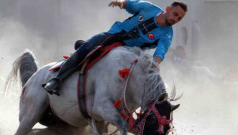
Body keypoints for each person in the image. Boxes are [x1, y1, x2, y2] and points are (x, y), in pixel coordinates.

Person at [44, 0, 187, 95]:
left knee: (141, 80)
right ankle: (57, 80)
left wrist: (155, 63)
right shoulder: (149, 8)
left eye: (179, 18)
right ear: (168, 9)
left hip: (131, 52)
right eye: (175, 14)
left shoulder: (167, 35)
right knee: (88, 46)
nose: (175, 19)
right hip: (114, 35)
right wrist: (120, 2)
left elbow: (160, 52)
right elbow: (131, 4)